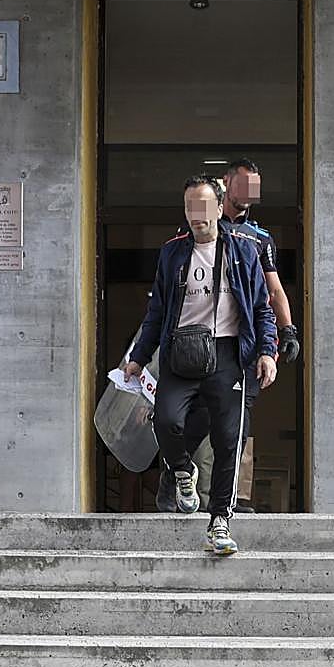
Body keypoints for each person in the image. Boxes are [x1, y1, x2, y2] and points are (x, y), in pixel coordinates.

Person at [125, 175, 278, 554]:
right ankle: (182, 469)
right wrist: (138, 357)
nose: (197, 214)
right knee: (166, 420)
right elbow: (157, 310)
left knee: (228, 440)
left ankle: (219, 521)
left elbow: (262, 308)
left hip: (228, 354)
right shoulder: (173, 252)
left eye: (204, 205)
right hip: (182, 350)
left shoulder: (244, 251)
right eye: (190, 206)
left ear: (219, 207)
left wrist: (267, 350)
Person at [156, 158, 299, 513]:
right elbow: (164, 301)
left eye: (255, 186)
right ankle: (176, 477)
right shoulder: (188, 235)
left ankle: (233, 501)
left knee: (237, 425)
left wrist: (286, 332)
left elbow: (271, 293)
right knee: (190, 420)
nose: (250, 192)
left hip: (238, 348)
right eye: (244, 184)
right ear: (226, 186)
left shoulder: (257, 240)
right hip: (193, 349)